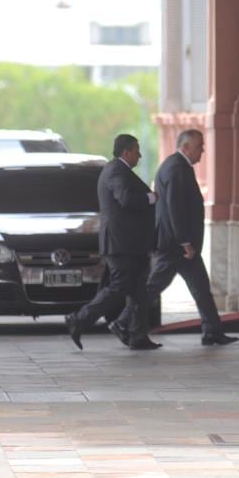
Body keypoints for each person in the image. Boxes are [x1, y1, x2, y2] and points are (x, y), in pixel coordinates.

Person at [124, 129, 238, 347]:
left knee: (201, 287)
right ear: (185, 147)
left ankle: (212, 331)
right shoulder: (176, 168)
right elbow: (175, 208)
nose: (203, 151)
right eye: (199, 146)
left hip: (180, 244)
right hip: (175, 244)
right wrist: (185, 241)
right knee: (152, 288)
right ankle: (123, 322)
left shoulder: (178, 166)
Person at [65, 133, 162, 350]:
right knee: (119, 286)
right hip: (121, 244)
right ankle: (79, 319)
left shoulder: (119, 171)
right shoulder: (116, 171)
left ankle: (138, 336)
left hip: (130, 244)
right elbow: (126, 199)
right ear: (126, 152)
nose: (140, 155)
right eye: (137, 151)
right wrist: (151, 198)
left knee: (138, 291)